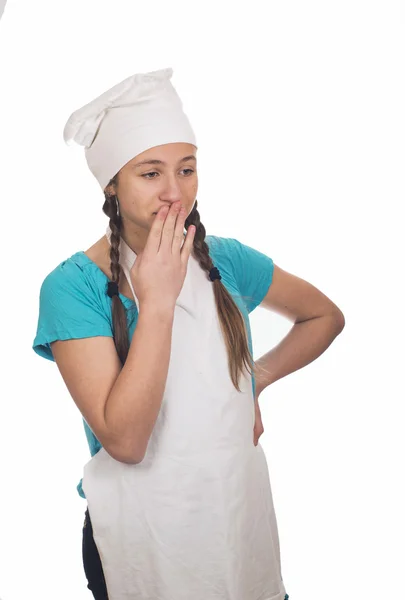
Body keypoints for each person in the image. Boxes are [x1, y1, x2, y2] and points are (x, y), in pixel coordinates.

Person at [33, 67, 344, 600]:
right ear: (112, 183)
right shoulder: (73, 287)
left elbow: (324, 317)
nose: (176, 192)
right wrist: (156, 300)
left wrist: (254, 381)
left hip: (234, 515)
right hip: (139, 533)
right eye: (150, 173)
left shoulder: (225, 260)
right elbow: (126, 441)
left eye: (188, 169)